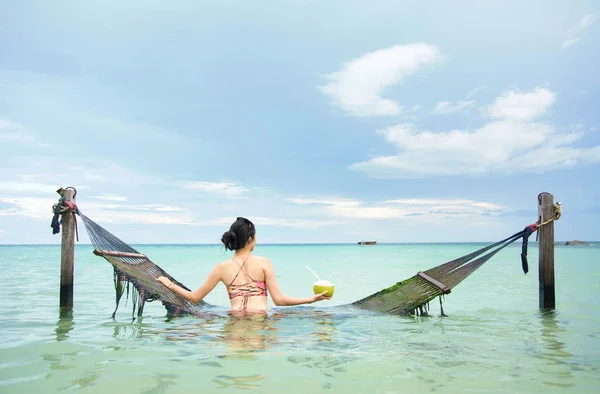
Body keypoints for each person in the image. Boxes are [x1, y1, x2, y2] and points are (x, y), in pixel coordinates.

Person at [156, 217, 331, 313]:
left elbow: (195, 298)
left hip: (234, 320)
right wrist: (312, 299)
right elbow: (280, 300)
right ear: (249, 239)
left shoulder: (221, 268)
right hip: (260, 320)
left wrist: (169, 284)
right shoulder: (264, 263)